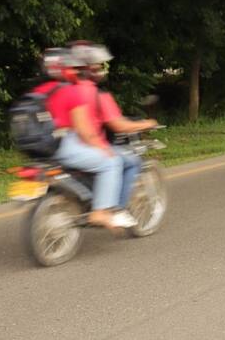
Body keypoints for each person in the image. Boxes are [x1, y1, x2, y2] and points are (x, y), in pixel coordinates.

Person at [33, 48, 134, 229]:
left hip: (41, 149)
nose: (75, 71)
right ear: (64, 69)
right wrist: (103, 148)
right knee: (112, 162)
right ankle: (100, 212)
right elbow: (85, 131)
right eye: (72, 68)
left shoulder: (39, 91)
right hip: (64, 144)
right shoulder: (71, 92)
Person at [68, 42, 158, 211]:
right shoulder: (97, 94)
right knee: (132, 162)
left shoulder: (65, 90)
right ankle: (118, 209)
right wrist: (146, 123)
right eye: (99, 66)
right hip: (90, 146)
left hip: (66, 148)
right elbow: (118, 125)